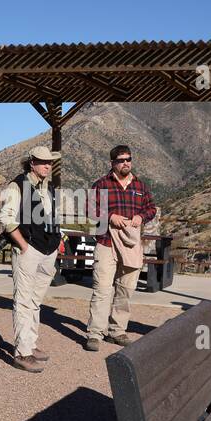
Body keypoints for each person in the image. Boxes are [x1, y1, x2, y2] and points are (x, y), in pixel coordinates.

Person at [84, 145, 157, 351]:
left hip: (131, 244)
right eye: (121, 160)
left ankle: (117, 330)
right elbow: (89, 208)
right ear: (112, 163)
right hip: (106, 242)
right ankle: (95, 333)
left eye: (128, 159)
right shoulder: (101, 185)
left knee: (126, 289)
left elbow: (151, 208)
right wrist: (109, 217)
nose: (126, 163)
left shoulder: (140, 186)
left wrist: (140, 217)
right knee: (102, 289)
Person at [0, 146, 62, 372]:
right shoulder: (17, 186)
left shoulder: (49, 187)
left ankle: (31, 343)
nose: (47, 165)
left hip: (48, 249)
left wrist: (58, 240)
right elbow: (6, 219)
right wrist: (23, 245)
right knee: (24, 300)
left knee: (35, 300)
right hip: (29, 249)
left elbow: (53, 216)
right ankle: (22, 352)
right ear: (31, 163)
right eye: (42, 162)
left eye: (49, 162)